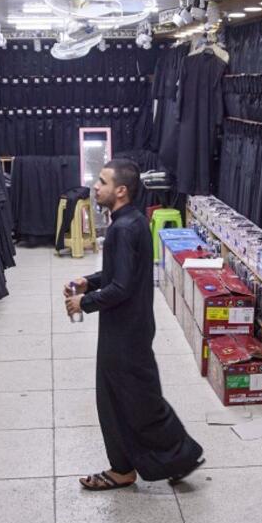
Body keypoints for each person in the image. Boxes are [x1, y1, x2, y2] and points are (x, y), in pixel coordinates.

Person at [64, 159, 204, 490]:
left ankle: (147, 463)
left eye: (102, 182)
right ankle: (150, 461)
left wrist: (83, 301)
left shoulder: (122, 229)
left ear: (121, 190)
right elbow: (122, 275)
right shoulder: (133, 222)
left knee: (127, 400)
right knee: (128, 398)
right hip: (131, 326)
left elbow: (121, 287)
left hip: (124, 332)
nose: (96, 187)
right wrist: (90, 280)